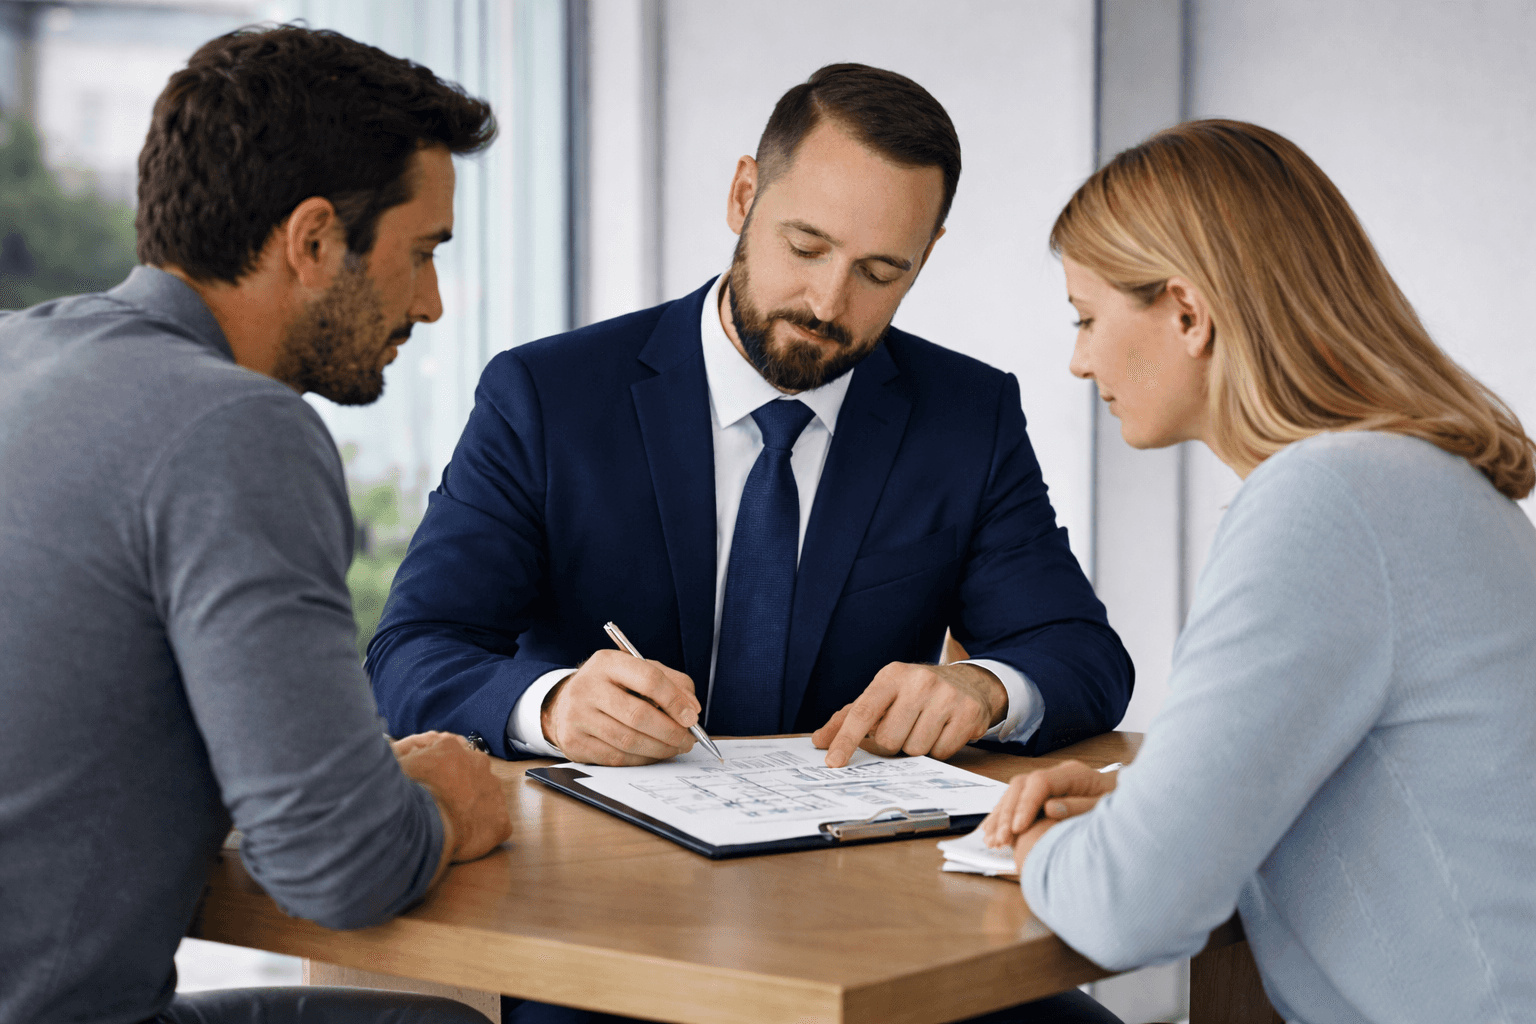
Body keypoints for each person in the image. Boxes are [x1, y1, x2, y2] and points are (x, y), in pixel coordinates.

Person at [367, 63, 1134, 777]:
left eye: (879, 272)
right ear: (743, 196)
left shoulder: (967, 415)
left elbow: (1080, 655)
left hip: (848, 873)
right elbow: (414, 649)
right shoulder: (546, 395)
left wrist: (984, 688)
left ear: (926, 257)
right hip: (596, 865)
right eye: (806, 247)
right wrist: (553, 705)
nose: (828, 304)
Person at [0, 26, 514, 1024]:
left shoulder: (22, 351)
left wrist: (349, 785)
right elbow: (343, 867)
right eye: (420, 255)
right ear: (314, 240)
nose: (434, 303)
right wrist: (449, 799)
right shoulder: (234, 427)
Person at [982, 120, 1536, 1024]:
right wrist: (1137, 804)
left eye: (1086, 318)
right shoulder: (1420, 480)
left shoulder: (1327, 500)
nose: (1079, 360)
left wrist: (1035, 845)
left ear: (1188, 313)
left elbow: (1132, 907)